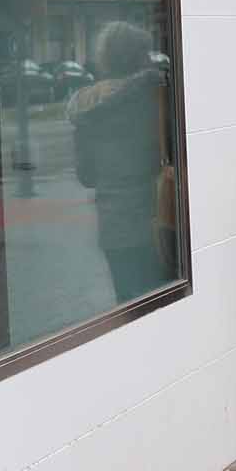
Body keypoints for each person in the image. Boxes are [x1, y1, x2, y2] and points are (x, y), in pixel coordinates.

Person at [70, 21, 172, 302]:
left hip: (113, 226)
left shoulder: (86, 108)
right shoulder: (154, 96)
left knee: (128, 305)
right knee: (161, 304)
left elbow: (86, 175)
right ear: (139, 56)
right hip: (155, 219)